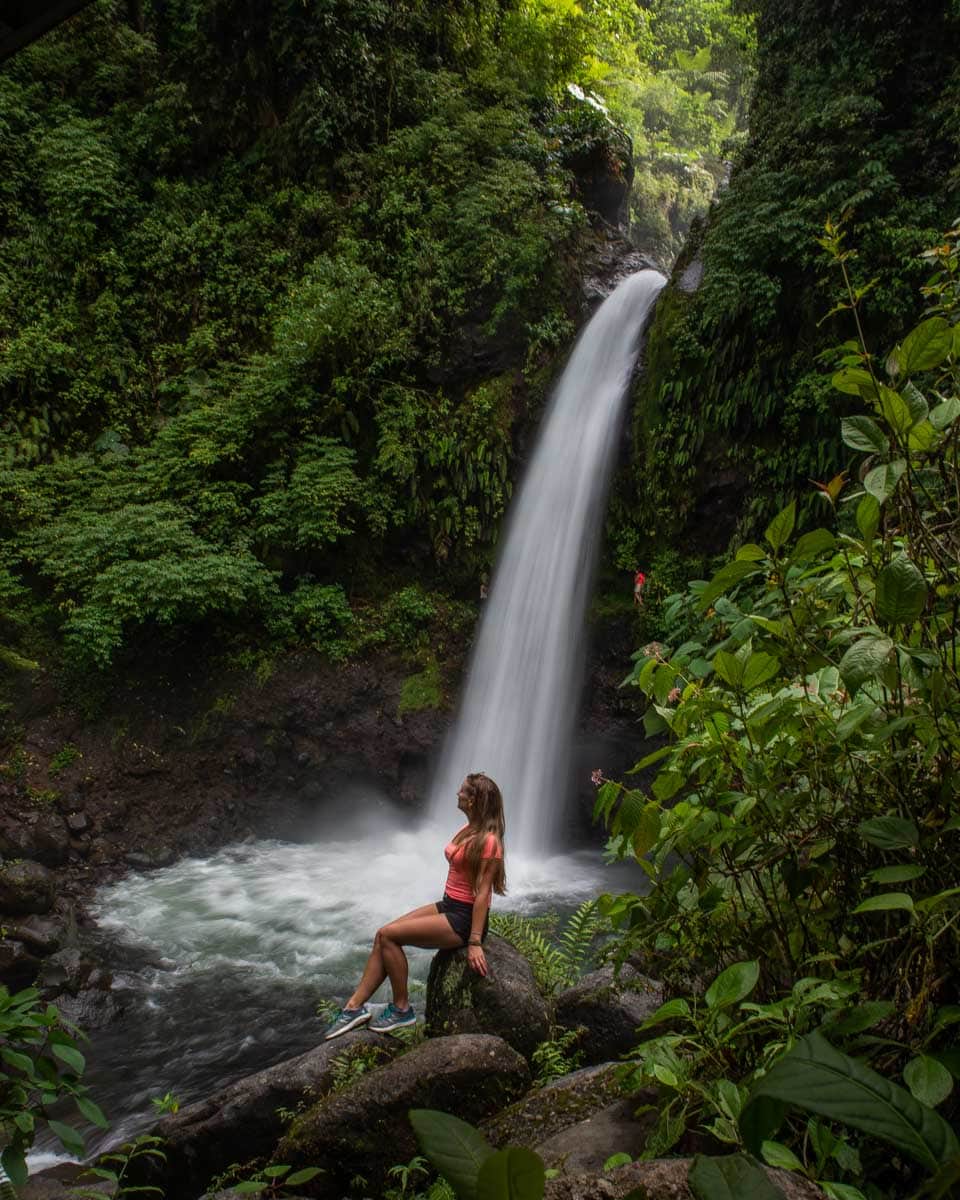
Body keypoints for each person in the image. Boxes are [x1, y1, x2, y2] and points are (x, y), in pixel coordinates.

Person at [321, 772, 507, 1038]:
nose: (457, 794)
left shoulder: (489, 842)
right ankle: (353, 1007)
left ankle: (402, 1009)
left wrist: (475, 941)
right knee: (383, 934)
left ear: (474, 800)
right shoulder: (468, 829)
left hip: (463, 919)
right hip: (449, 904)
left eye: (463, 791)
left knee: (389, 936)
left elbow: (482, 894)